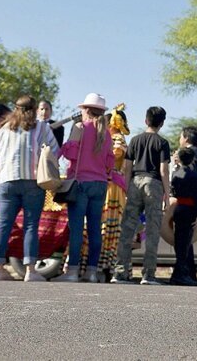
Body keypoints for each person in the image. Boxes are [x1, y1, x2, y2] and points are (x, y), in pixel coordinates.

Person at [0, 95, 59, 281]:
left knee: (4, 223)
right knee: (31, 225)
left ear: (15, 109)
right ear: (34, 109)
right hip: (33, 182)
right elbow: (54, 152)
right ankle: (30, 271)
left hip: (7, 182)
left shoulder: (2, 129)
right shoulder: (42, 127)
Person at [54, 94, 114, 283]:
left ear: (86, 110)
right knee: (95, 228)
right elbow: (110, 162)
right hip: (100, 184)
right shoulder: (107, 133)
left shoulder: (80, 127)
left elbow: (70, 155)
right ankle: (92, 272)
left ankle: (72, 272)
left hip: (80, 183)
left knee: (77, 229)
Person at [112, 106, 171, 285]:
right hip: (153, 183)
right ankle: (148, 274)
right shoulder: (162, 143)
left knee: (127, 229)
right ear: (162, 123)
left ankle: (120, 273)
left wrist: (128, 188)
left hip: (135, 181)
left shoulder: (135, 141)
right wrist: (167, 194)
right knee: (153, 230)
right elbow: (164, 170)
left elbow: (127, 167)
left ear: (146, 120)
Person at [97, 104, 130, 279]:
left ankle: (108, 267)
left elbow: (115, 155)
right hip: (104, 183)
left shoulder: (117, 139)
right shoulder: (105, 138)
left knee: (110, 225)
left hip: (113, 187)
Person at [168, 147, 197, 287]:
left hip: (178, 209)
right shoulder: (194, 175)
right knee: (185, 243)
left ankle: (178, 274)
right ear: (192, 159)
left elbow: (173, 192)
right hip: (189, 210)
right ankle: (180, 275)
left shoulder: (175, 174)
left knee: (179, 242)